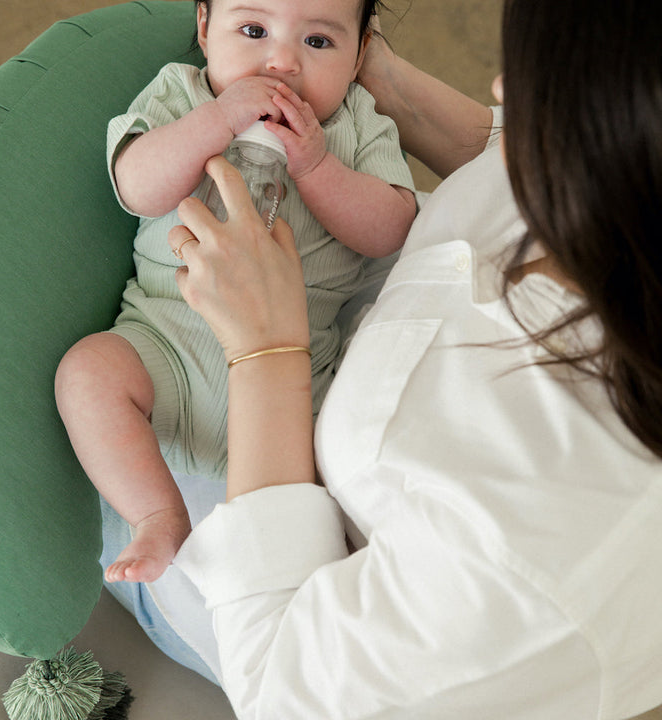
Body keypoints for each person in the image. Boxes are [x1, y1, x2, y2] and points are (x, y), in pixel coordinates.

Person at [155, 0, 662, 716]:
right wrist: (376, 77)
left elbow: (278, 689)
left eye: (533, 84)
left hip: (270, 599)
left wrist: (267, 352)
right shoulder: (618, 197)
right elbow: (516, 158)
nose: (500, 93)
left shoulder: (541, 549)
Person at [55, 0, 417, 584]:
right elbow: (137, 186)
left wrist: (318, 166)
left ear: (361, 56)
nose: (281, 63)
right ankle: (157, 513)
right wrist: (217, 121)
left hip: (302, 385)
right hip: (166, 346)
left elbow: (391, 230)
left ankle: (345, 576)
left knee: (360, 460)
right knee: (87, 373)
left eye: (318, 43)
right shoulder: (183, 95)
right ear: (203, 28)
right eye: (253, 31)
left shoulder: (355, 124)